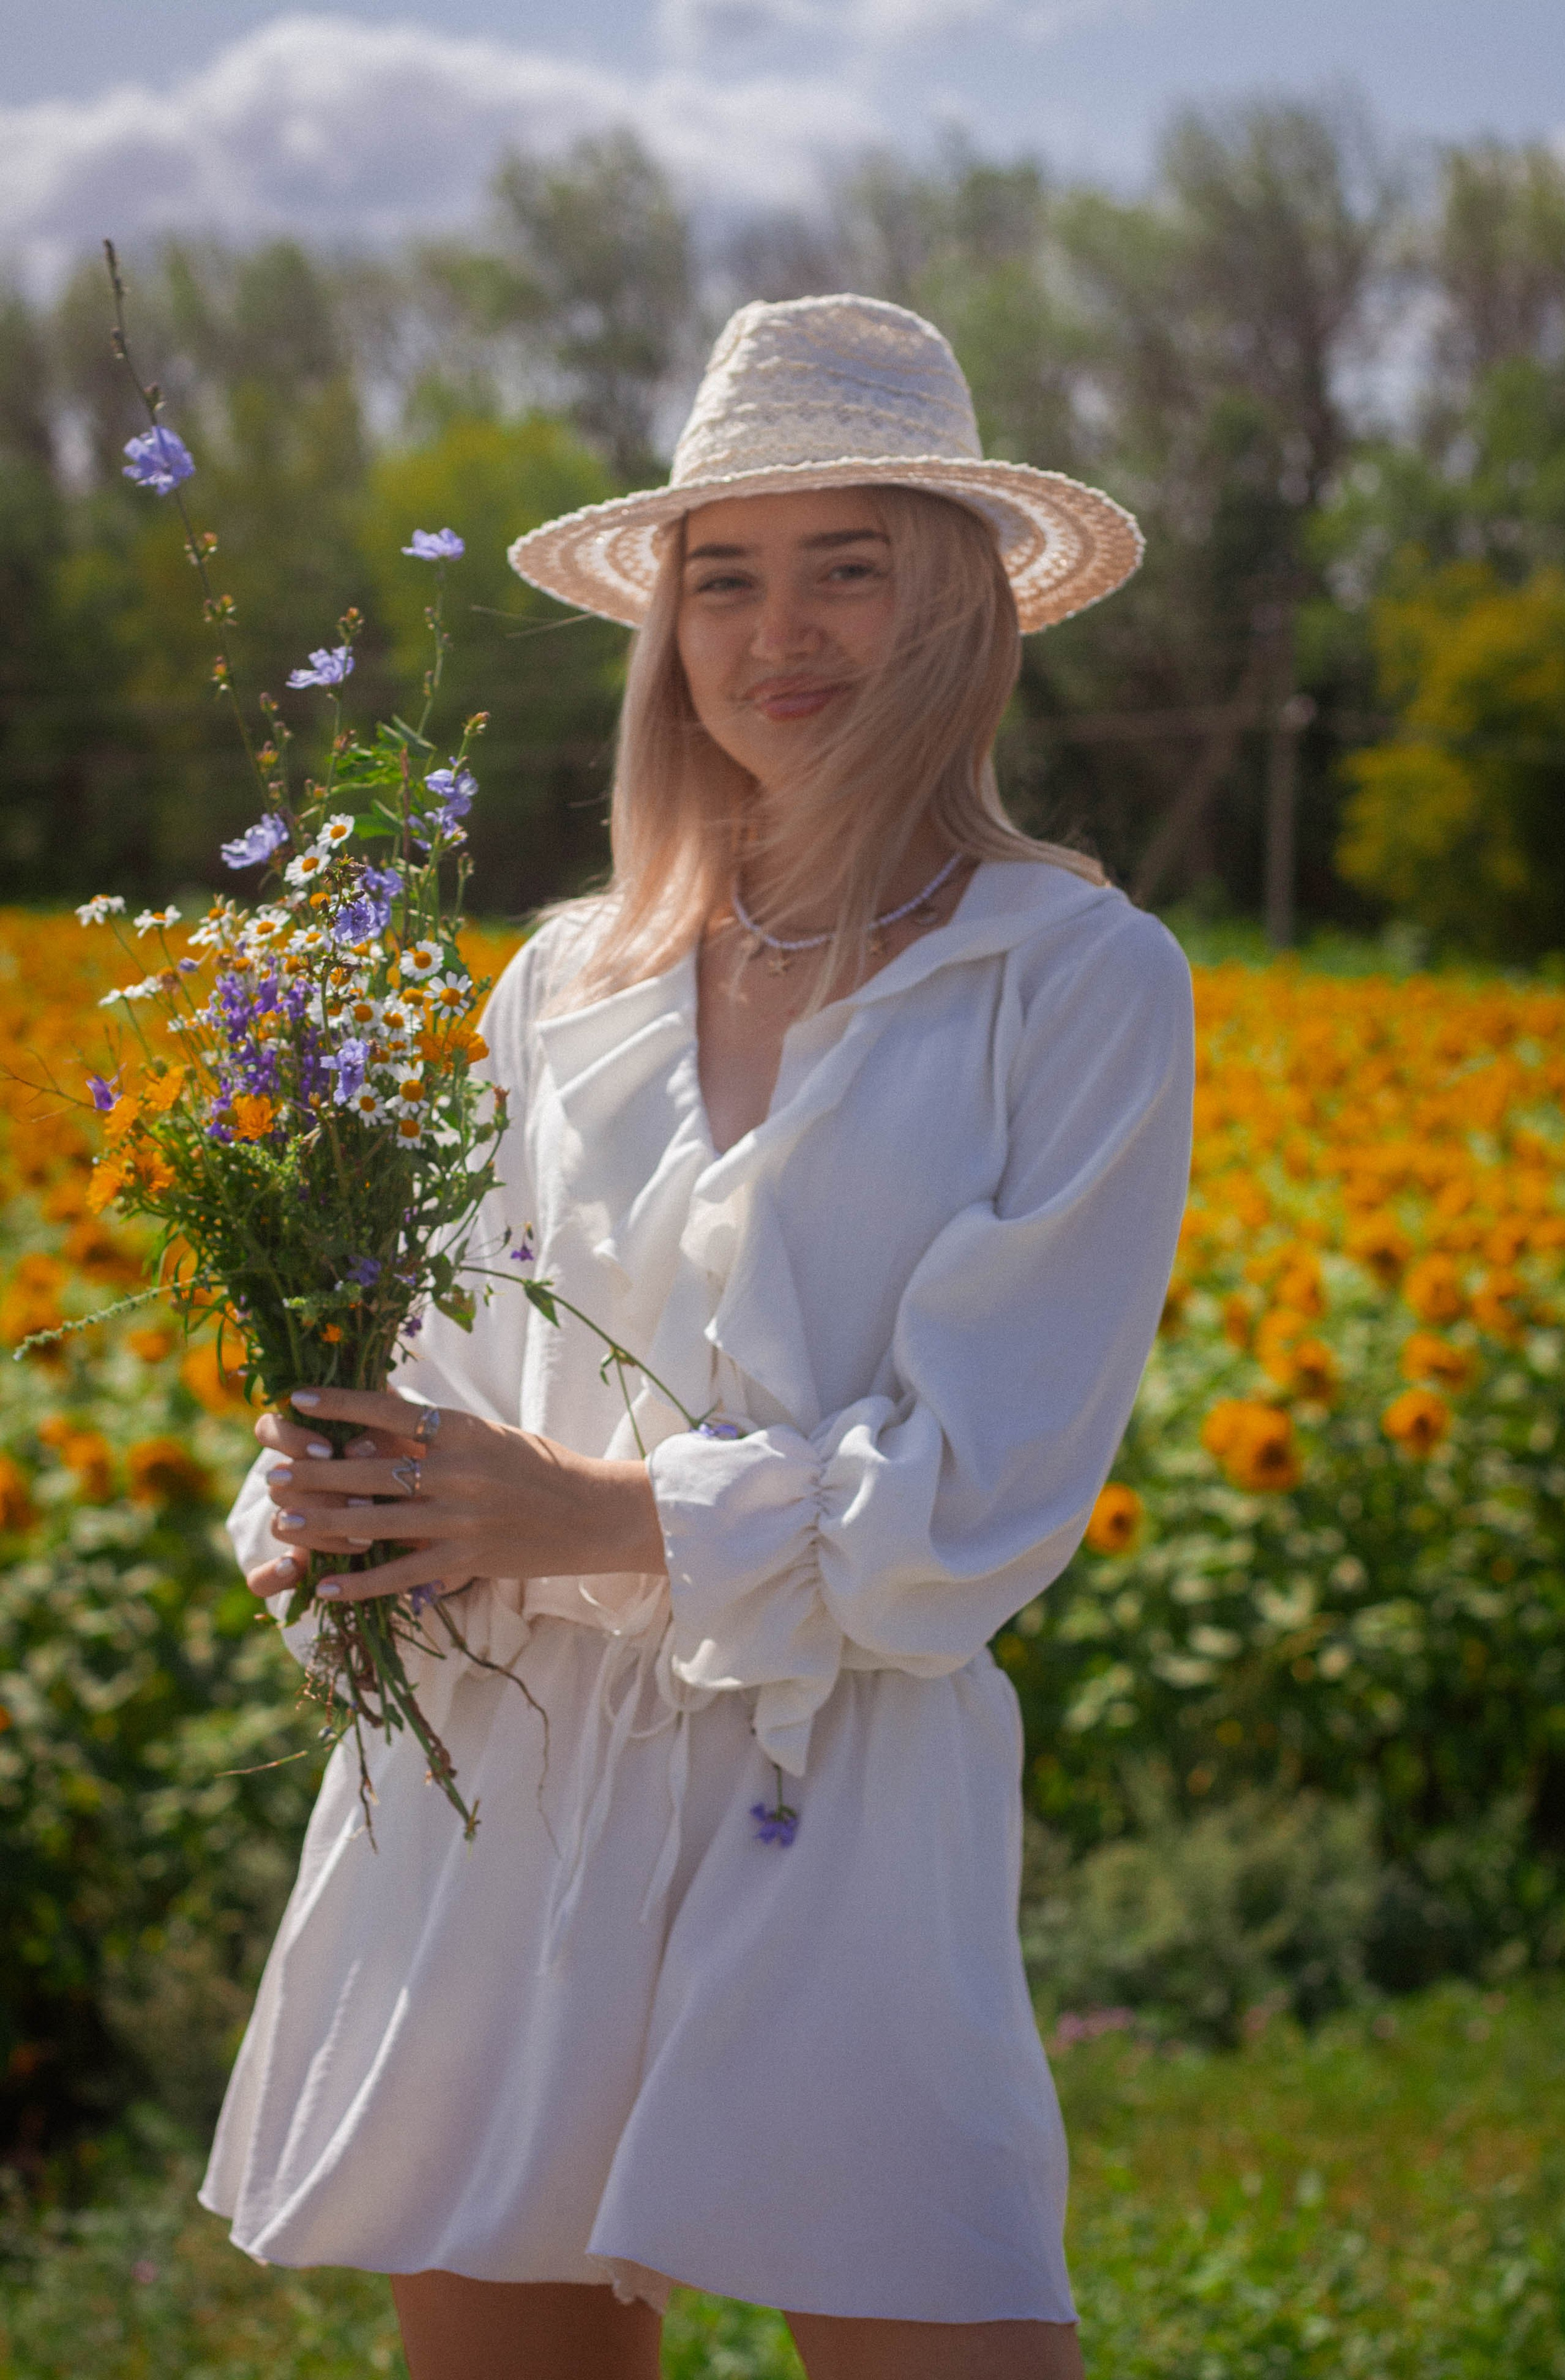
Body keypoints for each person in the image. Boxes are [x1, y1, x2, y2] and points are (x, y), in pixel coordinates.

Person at [203, 294, 1195, 2380]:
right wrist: (333, 1495)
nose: (780, 634)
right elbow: (443, 1373)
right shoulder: (564, 979)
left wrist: (585, 1512)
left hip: (838, 1783)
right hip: (505, 1779)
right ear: (665, 628)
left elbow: (981, 1501)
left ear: (965, 604)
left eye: (852, 566)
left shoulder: (1075, 979)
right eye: (722, 578)